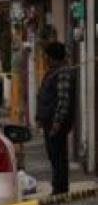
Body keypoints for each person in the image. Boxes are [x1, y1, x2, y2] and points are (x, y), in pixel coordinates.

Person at [36, 42, 75, 195]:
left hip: (55, 122)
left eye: (47, 56)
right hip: (49, 121)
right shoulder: (53, 72)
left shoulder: (62, 73)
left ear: (52, 57)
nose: (45, 59)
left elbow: (63, 100)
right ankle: (58, 186)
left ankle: (60, 189)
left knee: (58, 156)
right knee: (54, 155)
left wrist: (57, 122)